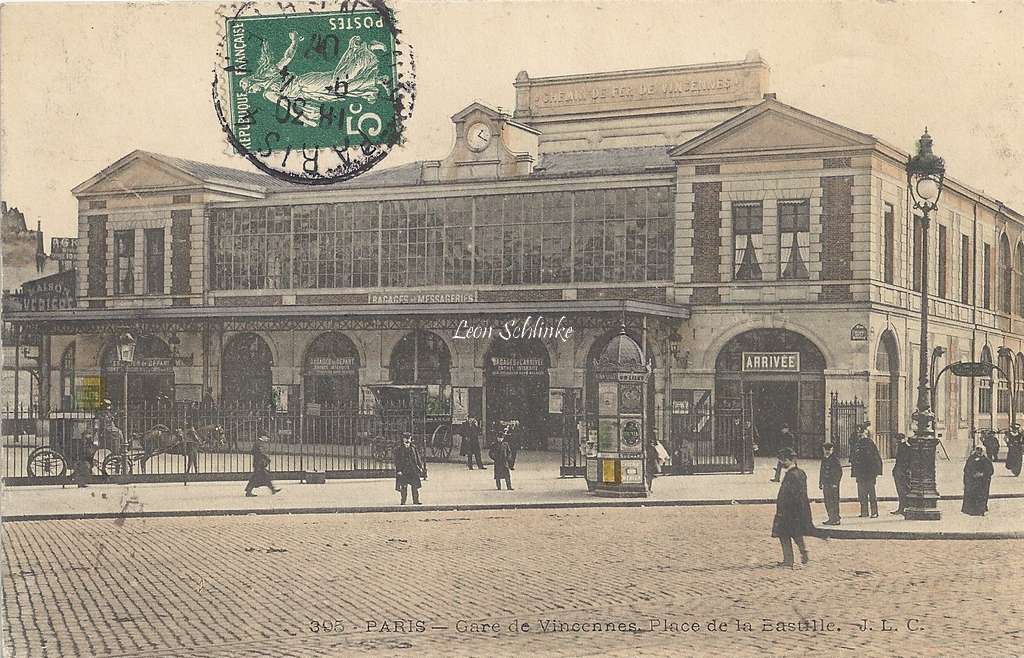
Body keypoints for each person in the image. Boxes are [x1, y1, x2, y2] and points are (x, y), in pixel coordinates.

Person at [771, 448, 814, 568]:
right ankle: (803, 551)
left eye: (783, 460)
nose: (781, 463)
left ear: (789, 460)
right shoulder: (800, 472)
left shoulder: (792, 475)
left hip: (788, 510)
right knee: (795, 533)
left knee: (783, 534)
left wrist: (784, 509)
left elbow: (792, 494)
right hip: (797, 511)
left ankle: (788, 560)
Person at [850, 427, 882, 517]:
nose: (860, 435)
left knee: (871, 493)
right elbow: (854, 458)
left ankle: (874, 512)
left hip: (869, 473)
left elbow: (876, 459)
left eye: (862, 433)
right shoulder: (857, 444)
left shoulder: (870, 443)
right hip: (860, 473)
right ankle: (864, 512)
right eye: (859, 434)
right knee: (862, 494)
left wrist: (876, 473)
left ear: (865, 434)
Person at [394, 432, 427, 505]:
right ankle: (403, 501)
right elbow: (397, 461)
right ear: (403, 439)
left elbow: (418, 458)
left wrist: (420, 467)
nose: (407, 440)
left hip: (413, 470)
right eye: (406, 438)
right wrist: (399, 470)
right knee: (404, 487)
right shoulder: (399, 449)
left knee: (415, 486)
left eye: (409, 438)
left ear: (411, 439)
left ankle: (416, 501)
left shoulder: (413, 448)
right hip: (404, 471)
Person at [962, 446, 994, 516]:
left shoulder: (986, 459)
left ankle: (980, 510)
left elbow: (990, 470)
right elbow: (966, 469)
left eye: (980, 450)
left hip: (982, 481)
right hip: (973, 480)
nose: (979, 451)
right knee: (972, 494)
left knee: (981, 495)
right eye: (977, 449)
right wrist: (972, 475)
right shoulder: (971, 458)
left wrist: (982, 474)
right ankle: (972, 510)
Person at [818, 443, 843, 525]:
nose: (827, 451)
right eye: (825, 450)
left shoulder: (835, 459)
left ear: (832, 450)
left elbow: (839, 472)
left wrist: (835, 483)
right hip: (826, 484)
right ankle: (830, 518)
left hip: (833, 484)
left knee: (834, 501)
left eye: (829, 450)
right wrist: (820, 482)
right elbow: (821, 471)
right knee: (827, 501)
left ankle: (836, 519)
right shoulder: (824, 459)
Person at [891, 433, 912, 515]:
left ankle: (903, 508)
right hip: (900, 472)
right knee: (902, 491)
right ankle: (902, 508)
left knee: (902, 491)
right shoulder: (903, 447)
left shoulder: (904, 447)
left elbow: (905, 461)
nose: (894, 441)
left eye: (895, 439)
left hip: (902, 473)